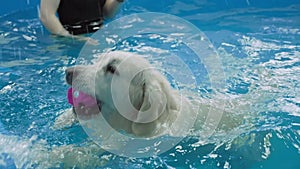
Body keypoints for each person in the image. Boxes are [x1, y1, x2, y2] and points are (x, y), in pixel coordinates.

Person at [40, 0, 124, 43]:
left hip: (97, 36)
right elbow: (46, 16)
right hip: (67, 41)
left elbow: (106, 14)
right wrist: (73, 39)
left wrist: (118, 1)